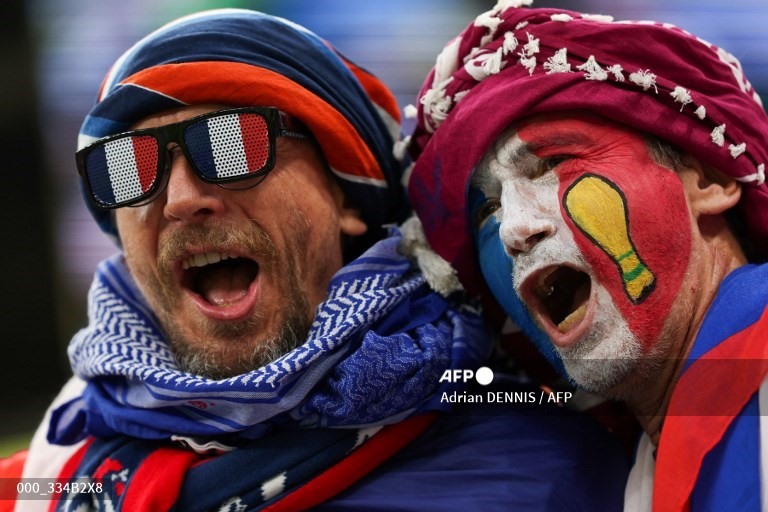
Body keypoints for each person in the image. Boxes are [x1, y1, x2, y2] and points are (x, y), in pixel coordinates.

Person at [0, 7, 630, 512]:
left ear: (347, 197)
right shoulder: (53, 476)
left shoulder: (537, 462)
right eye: (127, 167)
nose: (184, 199)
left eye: (230, 144)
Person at [407, 2, 768, 511]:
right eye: (488, 208)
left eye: (552, 163)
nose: (513, 230)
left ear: (708, 179)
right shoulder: (618, 463)